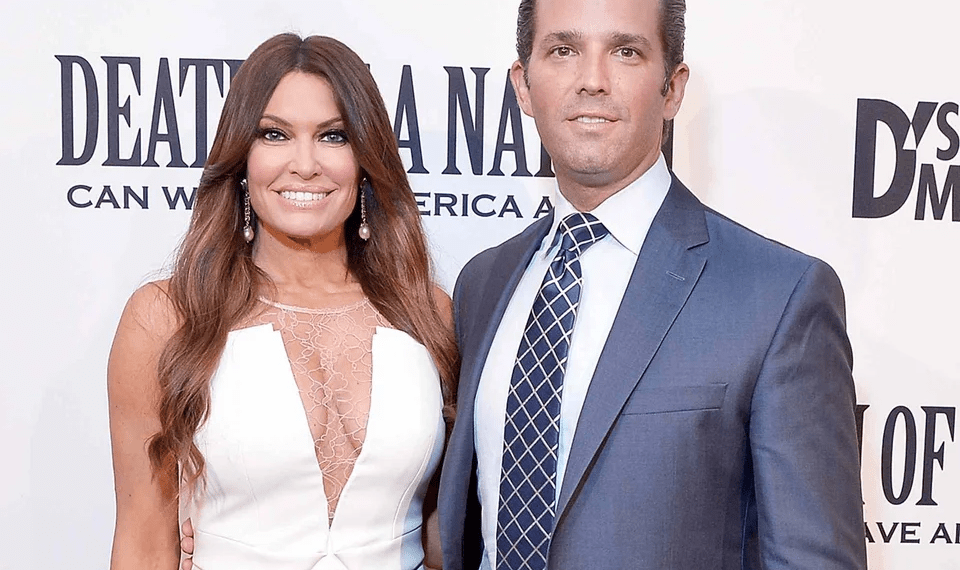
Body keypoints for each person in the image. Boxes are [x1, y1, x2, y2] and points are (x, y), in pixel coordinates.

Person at [437, 0, 867, 568]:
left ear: (673, 89)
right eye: (563, 50)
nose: (592, 80)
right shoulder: (483, 284)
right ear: (523, 85)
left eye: (625, 51)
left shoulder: (779, 297)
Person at [107, 33, 457, 570]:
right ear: (241, 158)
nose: (305, 164)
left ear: (366, 158)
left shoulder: (428, 313)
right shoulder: (168, 317)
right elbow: (143, 545)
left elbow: (446, 534)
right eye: (275, 134)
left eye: (334, 136)